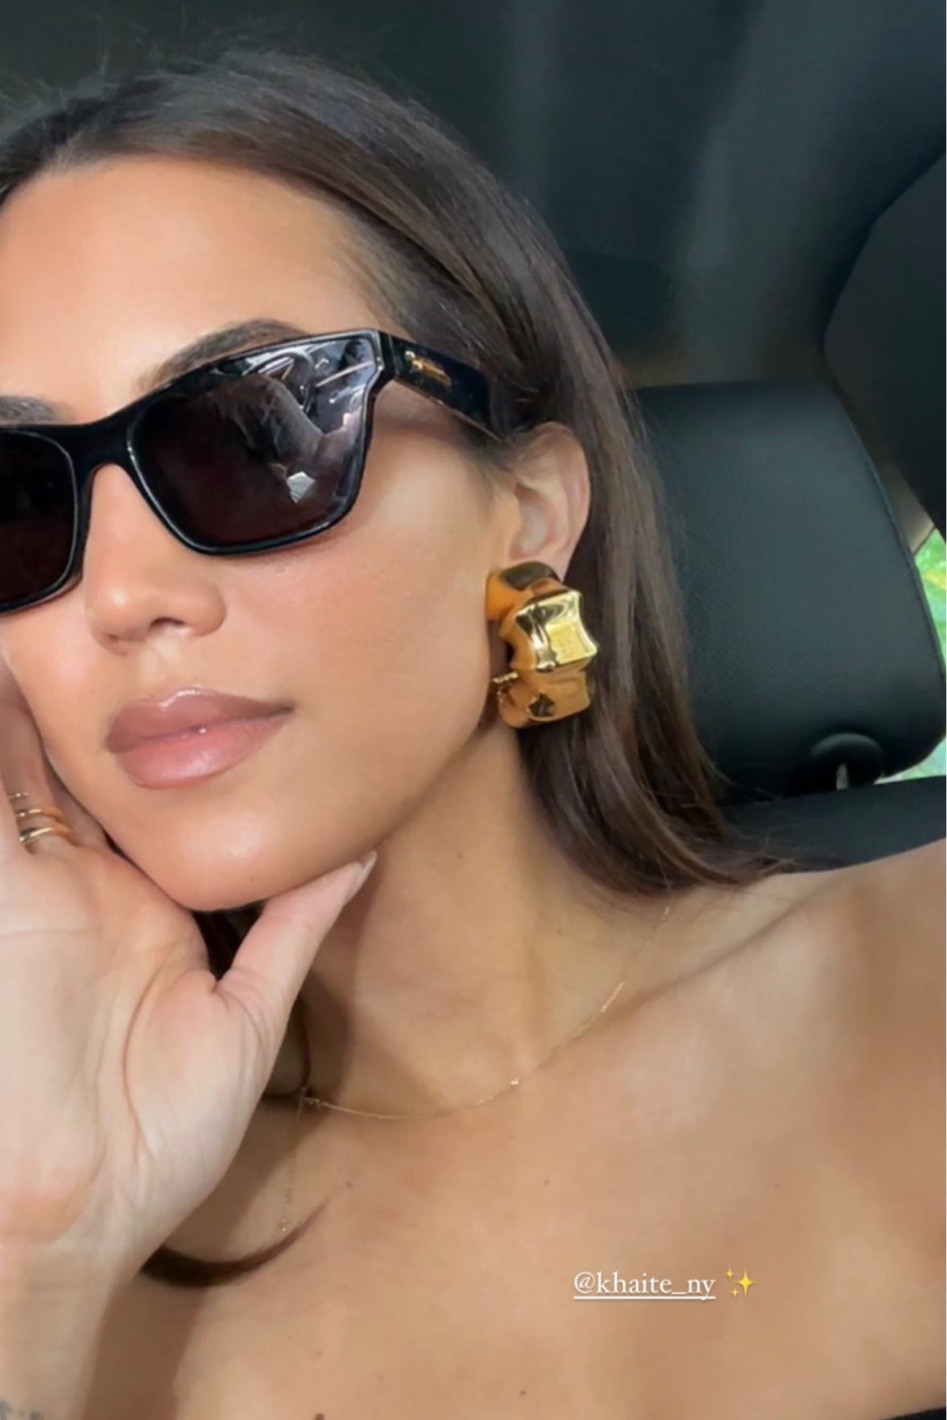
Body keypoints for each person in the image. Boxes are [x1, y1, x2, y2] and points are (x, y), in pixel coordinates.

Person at [0, 43, 941, 1420]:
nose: (123, 595)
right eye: (19, 499)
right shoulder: (47, 1225)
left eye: (257, 436)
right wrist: (40, 1254)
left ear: (530, 517)